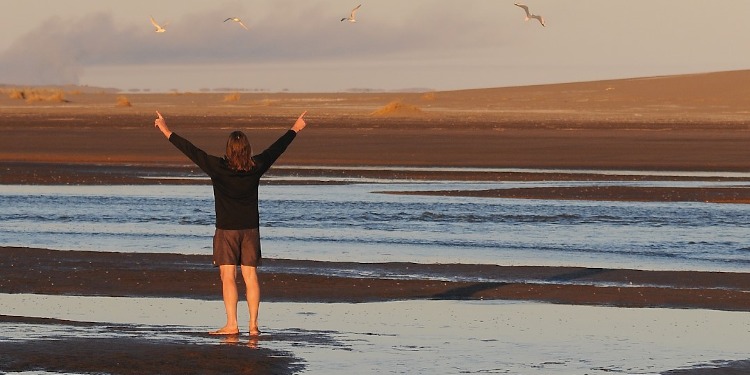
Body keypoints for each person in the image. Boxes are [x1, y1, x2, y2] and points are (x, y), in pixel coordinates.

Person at [153, 110, 307, 336]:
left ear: (228, 150)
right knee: (250, 277)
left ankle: (232, 324)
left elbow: (192, 151)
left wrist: (166, 130)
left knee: (228, 277)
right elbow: (276, 149)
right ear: (247, 149)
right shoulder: (256, 167)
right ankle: (253, 326)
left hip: (226, 231)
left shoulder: (218, 167)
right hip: (250, 230)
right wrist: (295, 128)